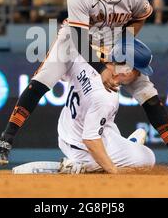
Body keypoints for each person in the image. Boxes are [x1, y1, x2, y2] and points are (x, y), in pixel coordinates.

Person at [0, 0, 168, 173]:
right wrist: (102, 68)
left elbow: (141, 16)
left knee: (146, 90)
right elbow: (79, 38)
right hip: (74, 38)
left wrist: (124, 42)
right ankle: (6, 139)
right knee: (41, 81)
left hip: (112, 40)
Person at [57, 38, 156, 174]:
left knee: (108, 125)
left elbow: (61, 74)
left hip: (65, 133)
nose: (138, 75)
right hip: (83, 149)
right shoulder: (106, 96)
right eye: (138, 71)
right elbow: (90, 140)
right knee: (147, 159)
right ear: (126, 70)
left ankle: (122, 150)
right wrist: (112, 170)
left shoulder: (85, 60)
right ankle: (82, 167)